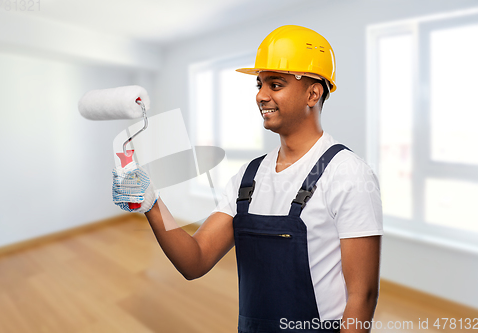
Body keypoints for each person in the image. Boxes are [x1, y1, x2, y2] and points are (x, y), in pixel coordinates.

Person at [112, 25, 382, 333]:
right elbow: (195, 261)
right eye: (259, 84)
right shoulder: (249, 178)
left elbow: (363, 296)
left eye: (275, 84)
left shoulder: (348, 173)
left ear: (313, 93)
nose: (261, 96)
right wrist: (150, 202)